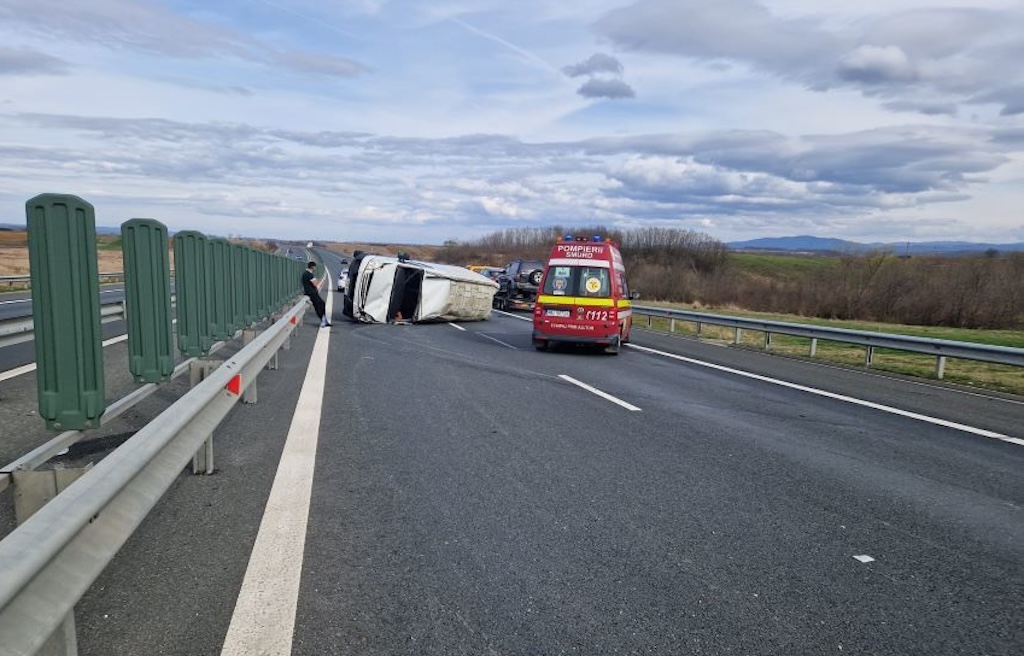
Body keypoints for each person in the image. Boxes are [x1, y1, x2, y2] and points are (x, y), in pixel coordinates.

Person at [302, 261, 330, 327]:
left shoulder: (306, 273)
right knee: (319, 306)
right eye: (315, 267)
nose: (315, 268)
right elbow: (316, 283)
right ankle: (324, 321)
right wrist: (321, 282)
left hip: (310, 292)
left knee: (321, 305)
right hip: (312, 293)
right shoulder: (309, 274)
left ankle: (324, 321)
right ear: (312, 267)